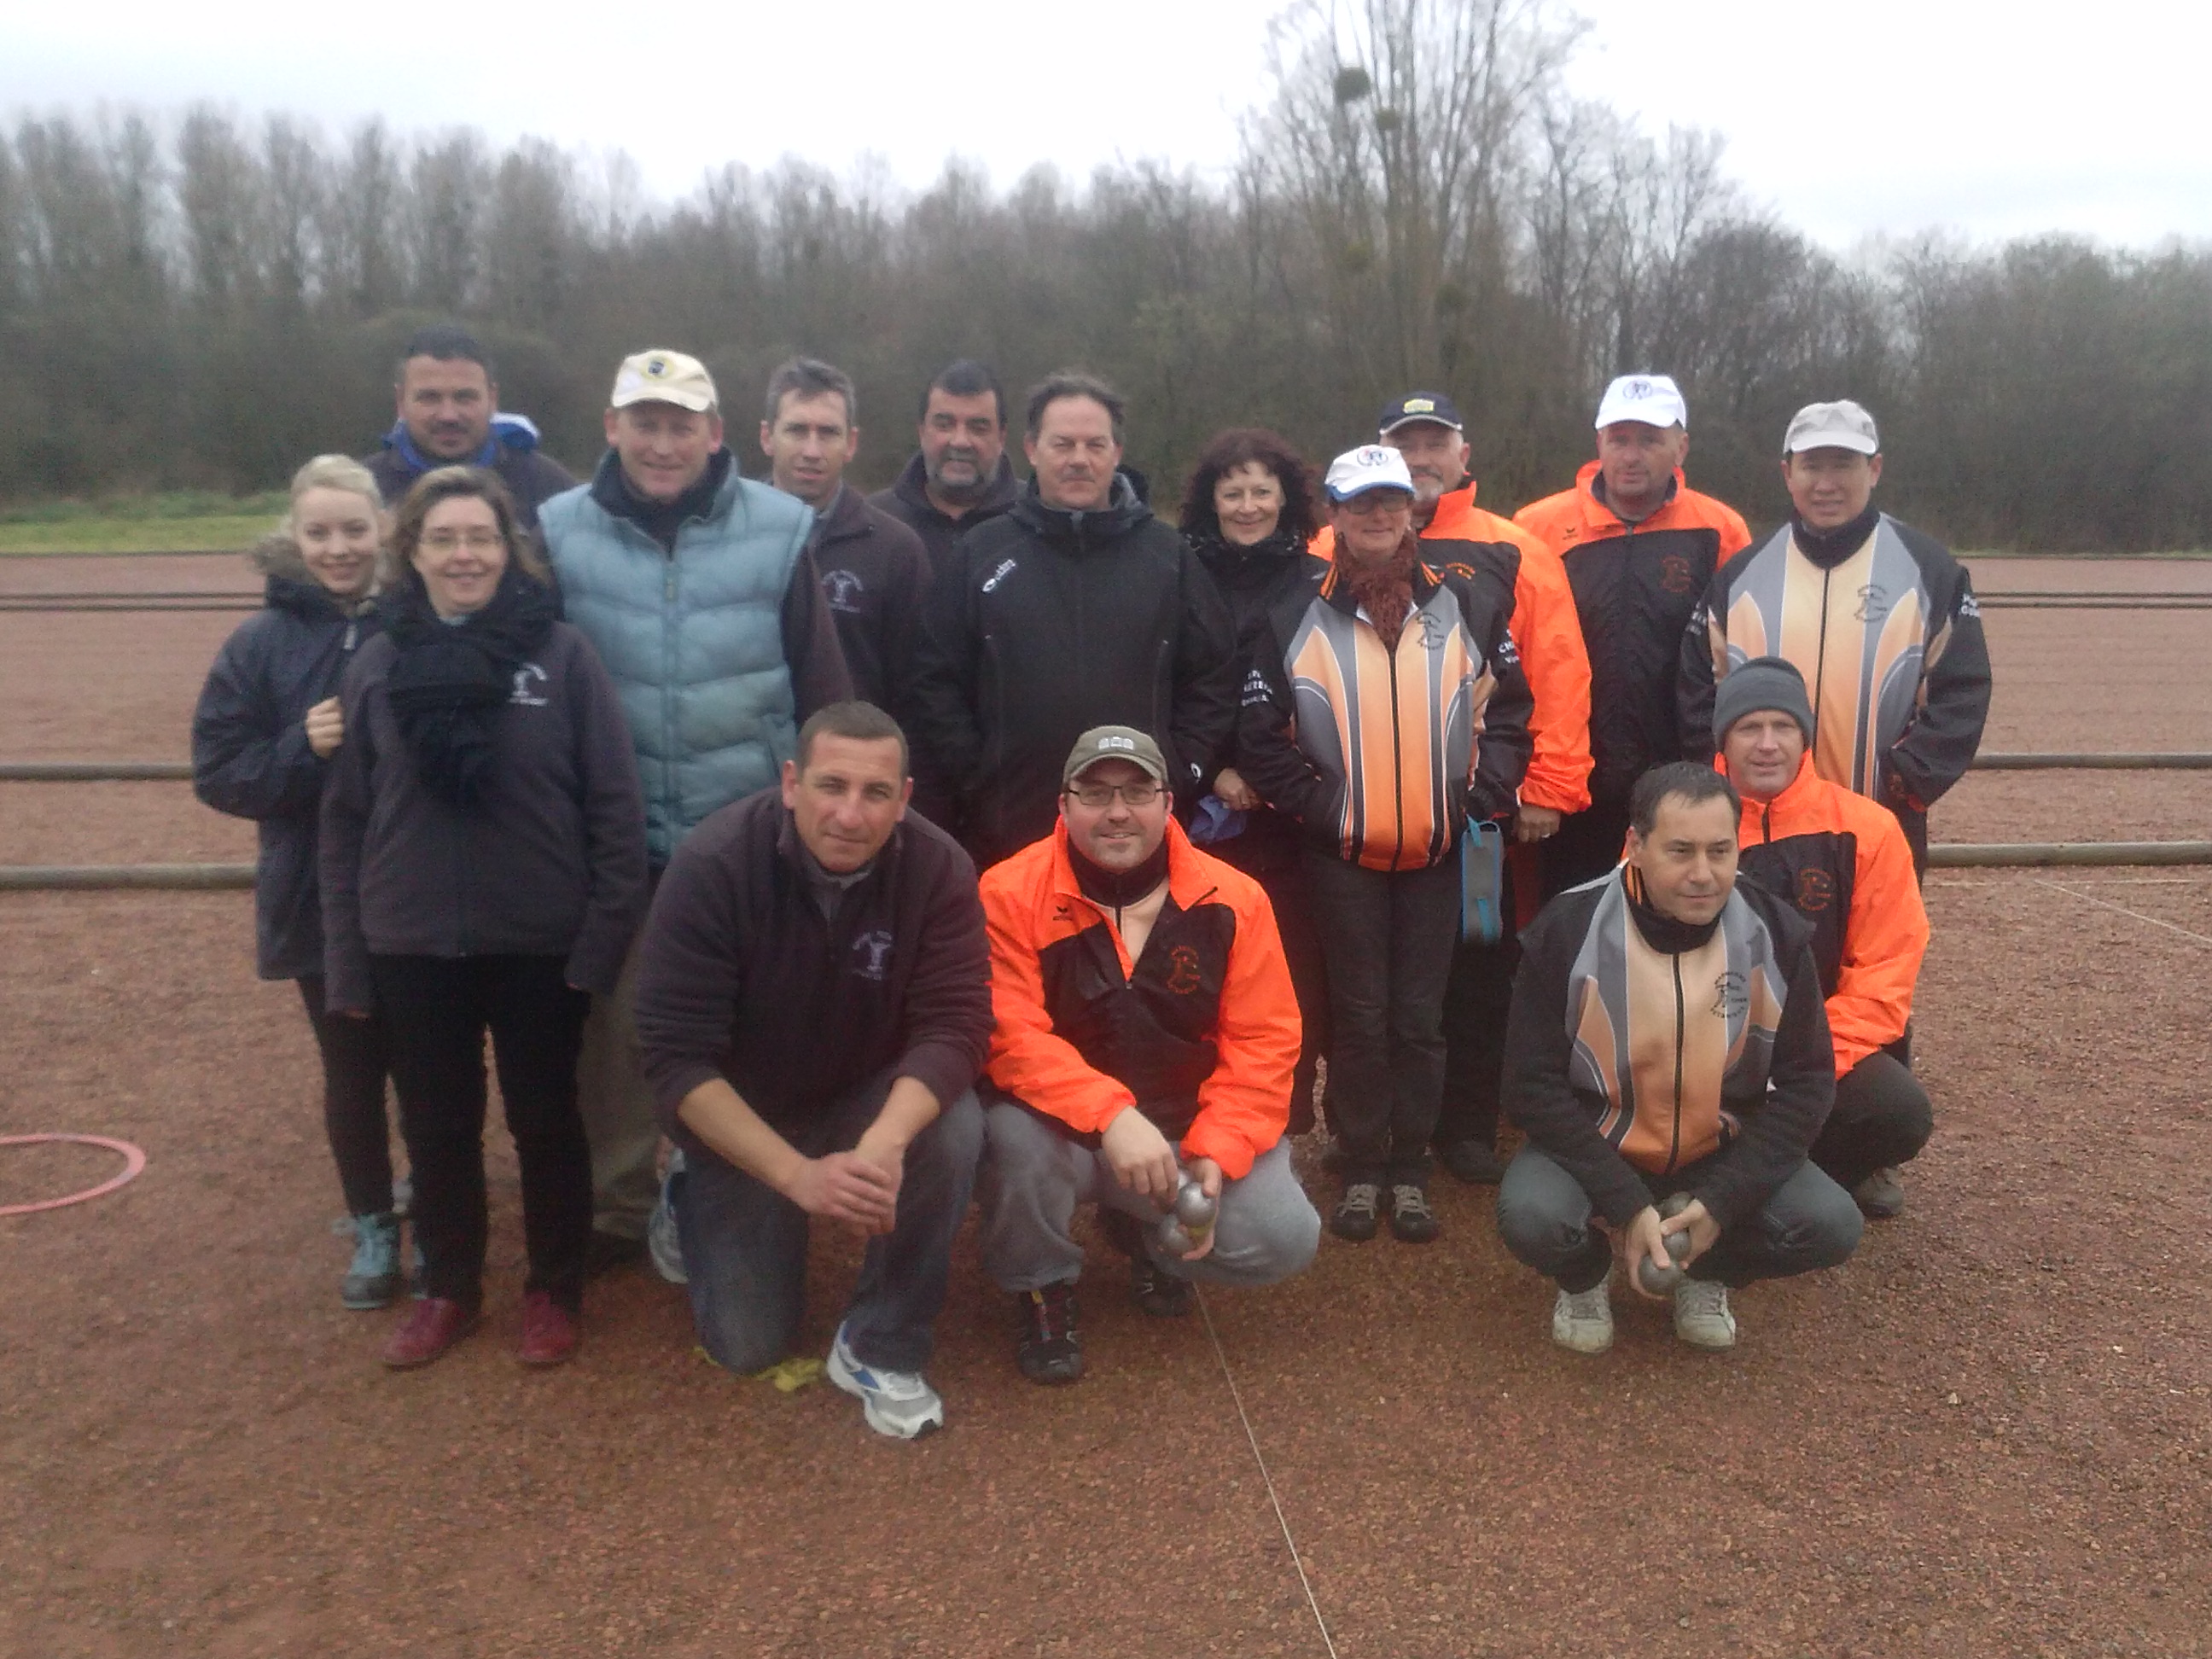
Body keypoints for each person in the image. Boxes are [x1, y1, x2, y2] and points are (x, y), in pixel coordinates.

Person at [320, 469, 649, 1370]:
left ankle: (552, 1287)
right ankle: (448, 1287)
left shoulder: (563, 657)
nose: (466, 555)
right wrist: (348, 966)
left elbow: (615, 811)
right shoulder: (377, 665)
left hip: (541, 942)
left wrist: (599, 944)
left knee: (546, 1121)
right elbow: (345, 824)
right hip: (412, 942)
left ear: (510, 552)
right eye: (445, 540)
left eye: (483, 539)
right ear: (412, 553)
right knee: (435, 1128)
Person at [537, 348, 851, 1274]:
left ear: (715, 435)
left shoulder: (783, 528)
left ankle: (730, 1187)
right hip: (616, 836)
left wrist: (818, 810)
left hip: (745, 831)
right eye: (646, 422)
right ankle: (624, 1203)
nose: (663, 443)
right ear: (612, 427)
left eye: (682, 425)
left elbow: (822, 688)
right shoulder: (557, 530)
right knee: (621, 1032)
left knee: (749, 1026)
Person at [631, 701, 991, 1439]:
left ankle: (880, 1342)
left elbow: (955, 1025)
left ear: (905, 798)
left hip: (864, 1091)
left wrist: (887, 1141)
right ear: (791, 783)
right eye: (831, 786)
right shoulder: (712, 865)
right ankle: (686, 1191)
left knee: (952, 1129)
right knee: (747, 1346)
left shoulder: (939, 868)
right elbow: (674, 1055)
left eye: (876, 793)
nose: (850, 815)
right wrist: (798, 1177)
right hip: (748, 1105)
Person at [1237, 446, 1534, 1244]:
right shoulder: (1294, 609)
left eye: (1391, 503)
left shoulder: (1466, 604)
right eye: (1360, 504)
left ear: (1413, 512)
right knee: (1360, 1018)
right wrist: (1321, 808)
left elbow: (1510, 713)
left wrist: (1483, 798)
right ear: (1332, 515)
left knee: (1419, 1018)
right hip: (1342, 859)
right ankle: (1362, 1163)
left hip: (1437, 857)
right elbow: (1261, 734)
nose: (1377, 518)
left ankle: (1410, 1169)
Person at [977, 727, 1318, 1384]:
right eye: (1096, 792)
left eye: (1137, 792)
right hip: (1066, 1132)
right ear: (1063, 803)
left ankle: (1149, 1242)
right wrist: (1111, 1118)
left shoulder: (1234, 899)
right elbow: (1009, 1034)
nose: (1116, 811)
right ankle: (1043, 1284)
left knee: (1284, 1238)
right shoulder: (1006, 893)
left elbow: (1265, 1040)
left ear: (1168, 804)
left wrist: (1218, 1150)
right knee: (1007, 1136)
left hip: (1184, 1128)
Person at [1313, 392, 1593, 1186]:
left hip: (1471, 820)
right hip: (1358, 820)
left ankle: (1465, 1124)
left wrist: (1542, 786)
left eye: (1437, 444)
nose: (1424, 456)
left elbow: (1555, 671)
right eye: (1408, 443)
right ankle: (1368, 1135)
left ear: (1463, 458)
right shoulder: (1328, 548)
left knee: (1476, 960)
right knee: (1366, 985)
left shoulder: (1513, 548)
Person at [1496, 761, 1861, 1354]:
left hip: (1720, 1145)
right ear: (1636, 846)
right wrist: (1626, 1204)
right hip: (1603, 1137)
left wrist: (1721, 1203)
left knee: (1832, 1225)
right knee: (1533, 1217)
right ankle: (1585, 1275)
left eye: (1721, 851)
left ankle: (1707, 1267)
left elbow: (1808, 1084)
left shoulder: (1776, 933)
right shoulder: (1567, 929)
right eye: (1680, 851)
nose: (1704, 875)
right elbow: (1529, 1085)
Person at [193, 455, 399, 1308]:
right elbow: (219, 773)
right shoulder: (257, 645)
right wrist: (298, 750)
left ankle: (439, 1193)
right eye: (320, 532)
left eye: (355, 529)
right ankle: (373, 1223)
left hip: (412, 884)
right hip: (316, 896)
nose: (339, 548)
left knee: (430, 1063)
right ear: (294, 536)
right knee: (351, 1067)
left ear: (384, 531)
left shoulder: (415, 621)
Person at [905, 370, 1239, 868]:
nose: (1079, 459)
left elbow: (1213, 674)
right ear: (1031, 449)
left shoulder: (1167, 555)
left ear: (1116, 452)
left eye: (1094, 444)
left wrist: (1180, 767)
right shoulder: (982, 552)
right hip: (1010, 830)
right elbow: (934, 680)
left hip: (1138, 830)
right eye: (1063, 444)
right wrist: (977, 773)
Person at [1679, 399, 1992, 874]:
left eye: (1843, 465)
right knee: (1756, 948)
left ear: (1875, 469)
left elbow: (1962, 691)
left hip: (1882, 823)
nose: (1826, 484)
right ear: (1787, 473)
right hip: (1757, 829)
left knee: (1882, 950)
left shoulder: (1930, 571)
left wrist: (1907, 781)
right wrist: (1721, 784)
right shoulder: (1741, 575)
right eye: (1811, 466)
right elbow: (1696, 687)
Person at [1714, 657, 1935, 1219]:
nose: (1767, 745)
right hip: (1709, 1048)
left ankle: (1818, 1169)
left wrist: (1800, 1062)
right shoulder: (1678, 823)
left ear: (1805, 738)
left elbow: (1885, 973)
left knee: (1897, 1112)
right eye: (1748, 728)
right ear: (1723, 739)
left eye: (1783, 727)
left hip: (1823, 1048)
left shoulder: (1868, 828)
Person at [1515, 374, 1751, 892]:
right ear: (1598, 442)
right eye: (1619, 439)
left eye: (1649, 439)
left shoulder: (1720, 530)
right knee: (1567, 922)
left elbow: (1738, 661)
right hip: (1572, 779)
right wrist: (1541, 775)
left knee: (1667, 913)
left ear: (1680, 446)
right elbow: (1517, 658)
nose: (1631, 454)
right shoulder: (1536, 528)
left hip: (1677, 772)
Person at [1175, 428, 1330, 1133]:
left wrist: (1278, 771)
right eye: (1231, 491)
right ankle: (1193, 1106)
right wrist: (1218, 769)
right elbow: (1179, 680)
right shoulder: (1181, 572)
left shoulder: (1315, 577)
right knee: (1202, 960)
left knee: (1292, 964)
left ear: (1286, 498)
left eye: (1260, 490)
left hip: (1292, 804)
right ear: (1210, 500)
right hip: (1204, 799)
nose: (1246, 506)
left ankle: (1288, 1114)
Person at [759, 357, 933, 713]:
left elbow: (919, 692)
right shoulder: (724, 540)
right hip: (752, 763)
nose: (812, 450)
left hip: (853, 765)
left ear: (851, 443)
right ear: (767, 437)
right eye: (796, 430)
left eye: (828, 433)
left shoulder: (897, 551)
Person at [365, 324, 575, 532]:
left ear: (492, 399)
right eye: (430, 398)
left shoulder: (549, 487)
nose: (449, 415)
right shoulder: (364, 491)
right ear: (401, 402)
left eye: (465, 397)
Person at [868, 359, 1021, 576]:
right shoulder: (873, 524)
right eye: (945, 425)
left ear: (1001, 438)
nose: (960, 441)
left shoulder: (1034, 524)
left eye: (978, 428)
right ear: (922, 432)